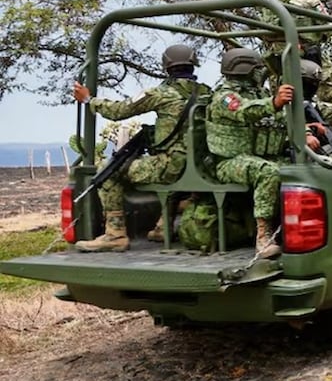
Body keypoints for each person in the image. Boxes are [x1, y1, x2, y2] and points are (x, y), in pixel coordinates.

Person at [72, 44, 210, 252]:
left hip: (171, 166)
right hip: (202, 165)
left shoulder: (161, 93)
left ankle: (115, 235)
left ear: (167, 66)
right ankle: (163, 228)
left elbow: (119, 111)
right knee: (168, 168)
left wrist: (89, 100)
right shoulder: (208, 93)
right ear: (193, 65)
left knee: (109, 174)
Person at [205, 47, 294, 259]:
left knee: (300, 166)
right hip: (229, 162)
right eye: (257, 69)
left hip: (256, 157)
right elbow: (246, 111)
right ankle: (264, 237)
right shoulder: (225, 97)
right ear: (245, 69)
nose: (261, 73)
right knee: (268, 172)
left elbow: (278, 118)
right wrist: (274, 103)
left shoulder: (258, 93)